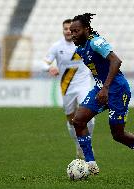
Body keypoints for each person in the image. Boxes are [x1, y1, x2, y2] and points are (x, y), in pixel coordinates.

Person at [70, 13, 134, 177]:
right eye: (71, 31)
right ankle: (91, 164)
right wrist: (101, 88)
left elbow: (116, 61)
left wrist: (106, 88)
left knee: (117, 134)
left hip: (117, 89)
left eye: (76, 31)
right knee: (78, 121)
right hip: (100, 89)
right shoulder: (80, 49)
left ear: (86, 29)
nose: (73, 34)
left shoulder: (96, 42)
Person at [43, 19, 95, 159]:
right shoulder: (57, 46)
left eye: (70, 29)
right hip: (66, 87)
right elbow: (44, 63)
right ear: (63, 30)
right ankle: (78, 145)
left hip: (83, 85)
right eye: (65, 28)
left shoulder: (85, 43)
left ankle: (86, 146)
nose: (68, 31)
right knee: (71, 120)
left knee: (88, 116)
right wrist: (50, 67)